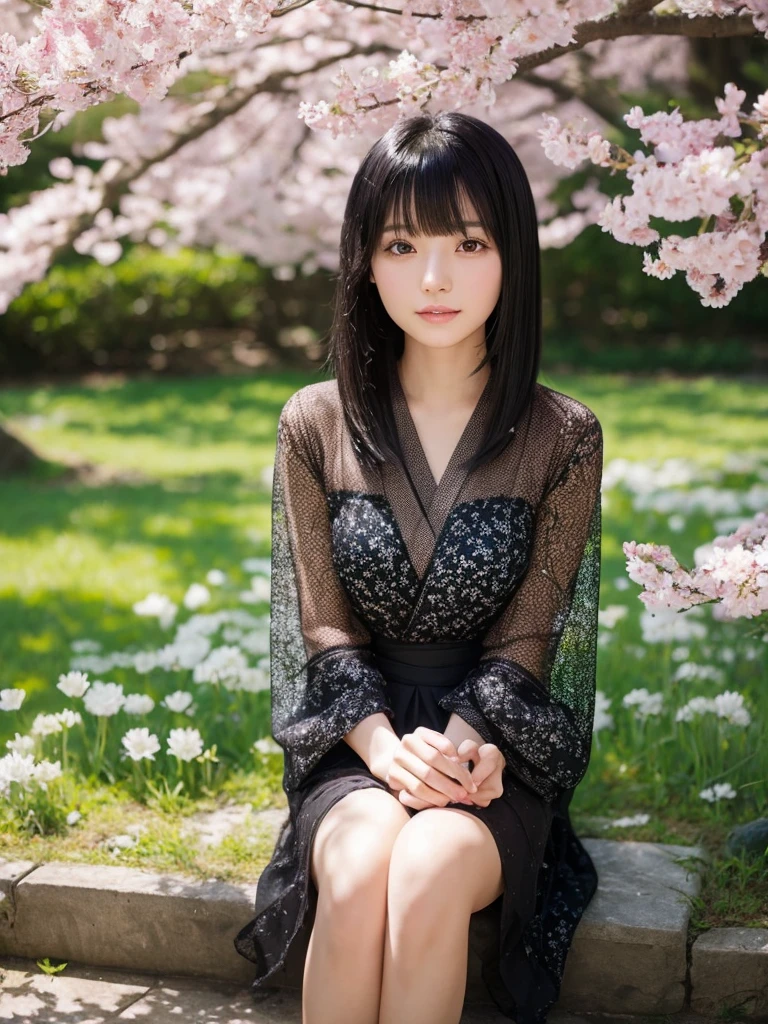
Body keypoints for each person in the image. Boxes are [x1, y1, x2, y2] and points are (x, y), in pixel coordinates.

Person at [234, 110, 603, 1024]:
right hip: (360, 737)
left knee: (431, 867)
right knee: (361, 869)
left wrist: (471, 740)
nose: (434, 278)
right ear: (365, 260)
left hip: (495, 747)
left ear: (511, 252)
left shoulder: (565, 435)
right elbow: (322, 624)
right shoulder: (313, 423)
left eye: (468, 242)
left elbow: (532, 630)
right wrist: (385, 751)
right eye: (401, 244)